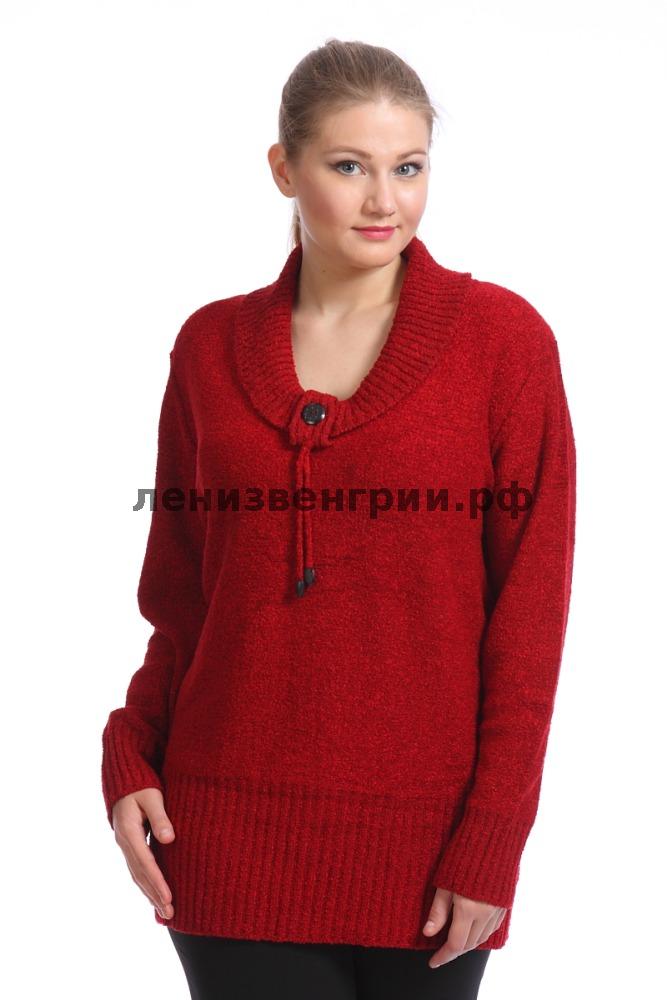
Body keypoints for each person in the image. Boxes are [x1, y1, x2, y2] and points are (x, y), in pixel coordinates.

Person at [101, 38, 576, 1000]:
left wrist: (494, 833)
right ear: (284, 168)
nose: (383, 201)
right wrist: (130, 749)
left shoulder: (503, 345)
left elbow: (529, 618)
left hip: (430, 845)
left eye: (409, 167)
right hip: (223, 829)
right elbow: (182, 597)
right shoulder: (208, 347)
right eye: (349, 166)